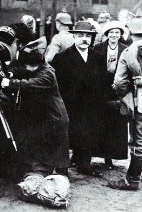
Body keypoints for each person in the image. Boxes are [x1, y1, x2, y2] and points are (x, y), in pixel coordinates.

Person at [1, 36, 69, 181]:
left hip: (54, 117)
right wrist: (13, 73)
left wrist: (10, 82)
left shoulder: (47, 73)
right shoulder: (39, 67)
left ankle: (55, 177)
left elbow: (32, 83)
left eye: (27, 65)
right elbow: (23, 71)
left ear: (35, 64)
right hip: (48, 115)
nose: (25, 68)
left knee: (52, 149)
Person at [107, 18, 142, 190]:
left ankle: (132, 180)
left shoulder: (130, 51)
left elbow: (120, 81)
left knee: (140, 139)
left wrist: (127, 99)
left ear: (129, 33)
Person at [52, 21, 106, 176]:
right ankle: (62, 166)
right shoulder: (61, 58)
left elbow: (103, 83)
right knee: (66, 134)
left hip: (90, 105)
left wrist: (100, 102)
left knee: (88, 133)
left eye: (87, 36)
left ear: (91, 38)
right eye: (80, 35)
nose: (84, 39)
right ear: (74, 36)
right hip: (69, 105)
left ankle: (84, 164)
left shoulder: (98, 58)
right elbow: (57, 84)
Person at [93, 21, 128, 169]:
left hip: (117, 89)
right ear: (107, 34)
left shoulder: (125, 50)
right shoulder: (98, 48)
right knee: (97, 121)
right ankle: (88, 154)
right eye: (111, 32)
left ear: (120, 35)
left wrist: (121, 83)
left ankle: (109, 157)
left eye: (117, 33)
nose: (114, 35)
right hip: (100, 89)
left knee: (114, 124)